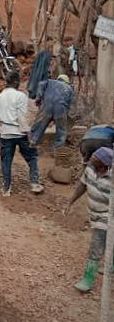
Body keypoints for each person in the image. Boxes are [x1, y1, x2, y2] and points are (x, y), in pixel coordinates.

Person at [65, 147, 112, 292]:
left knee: (97, 244)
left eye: (96, 157)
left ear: (104, 164)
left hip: (108, 215)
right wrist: (70, 201)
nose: (92, 157)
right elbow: (82, 185)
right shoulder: (90, 168)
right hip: (94, 213)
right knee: (111, 239)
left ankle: (87, 279)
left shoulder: (112, 176)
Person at [0, 70, 44, 195]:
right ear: (16, 82)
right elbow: (21, 117)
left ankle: (6, 189)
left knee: (6, 162)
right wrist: (28, 134)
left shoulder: (0, 97)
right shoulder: (21, 96)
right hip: (20, 132)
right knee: (32, 157)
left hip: (5, 133)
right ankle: (34, 183)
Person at [30, 74, 73, 154]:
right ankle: (57, 149)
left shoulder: (50, 82)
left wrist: (39, 98)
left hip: (47, 107)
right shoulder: (69, 88)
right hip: (60, 109)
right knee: (61, 130)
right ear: (67, 82)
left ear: (58, 78)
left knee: (39, 125)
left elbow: (40, 84)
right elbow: (68, 105)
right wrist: (63, 115)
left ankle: (33, 142)